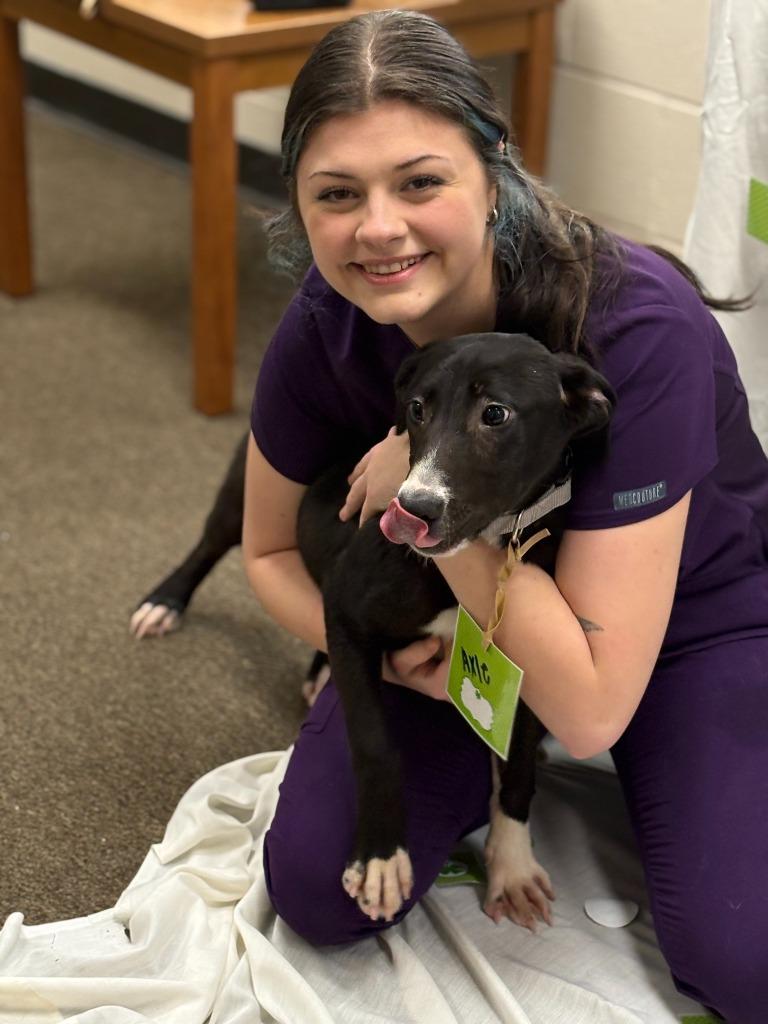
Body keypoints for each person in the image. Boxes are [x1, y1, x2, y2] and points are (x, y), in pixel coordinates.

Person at [242, 10, 768, 1021]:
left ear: (496, 176)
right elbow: (267, 550)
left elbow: (587, 707)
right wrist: (378, 657)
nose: (379, 228)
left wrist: (422, 483)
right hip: (467, 631)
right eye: (337, 195)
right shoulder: (326, 326)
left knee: (747, 961)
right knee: (318, 886)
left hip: (686, 618)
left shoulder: (638, 331)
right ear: (299, 209)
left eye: (421, 181)